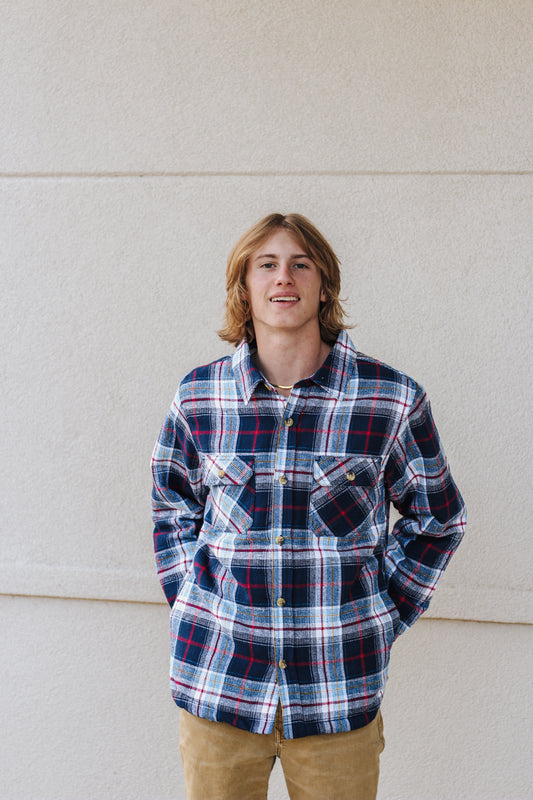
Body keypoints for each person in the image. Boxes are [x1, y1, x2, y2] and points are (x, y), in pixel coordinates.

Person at [151, 213, 467, 800]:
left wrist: (379, 614)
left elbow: (437, 519)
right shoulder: (199, 397)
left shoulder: (390, 400)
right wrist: (191, 600)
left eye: (301, 263)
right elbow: (172, 509)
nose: (283, 278)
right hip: (218, 686)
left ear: (325, 283)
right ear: (243, 287)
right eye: (265, 264)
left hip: (337, 694)